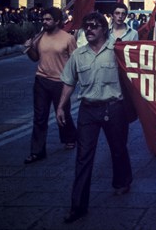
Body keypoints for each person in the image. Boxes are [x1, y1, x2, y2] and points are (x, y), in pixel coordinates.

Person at [57, 12, 133, 223]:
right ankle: (78, 206)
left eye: (94, 26)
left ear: (103, 30)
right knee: (83, 157)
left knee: (118, 149)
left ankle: (122, 180)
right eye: (86, 26)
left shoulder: (117, 52)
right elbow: (69, 82)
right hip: (88, 110)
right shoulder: (78, 55)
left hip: (114, 108)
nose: (89, 29)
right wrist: (61, 107)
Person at [22, 7, 77, 164]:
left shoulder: (68, 39)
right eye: (43, 19)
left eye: (48, 20)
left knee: (63, 114)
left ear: (57, 21)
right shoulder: (39, 37)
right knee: (40, 117)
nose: (44, 22)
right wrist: (29, 49)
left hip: (61, 82)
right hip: (41, 81)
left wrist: (72, 80)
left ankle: (69, 137)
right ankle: (37, 151)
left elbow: (74, 62)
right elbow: (35, 58)